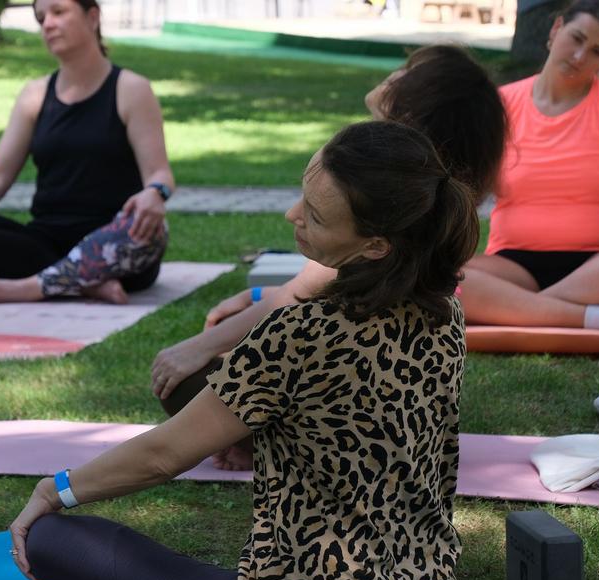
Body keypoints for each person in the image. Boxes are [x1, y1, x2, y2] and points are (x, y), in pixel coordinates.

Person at [9, 120, 479, 580]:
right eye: (303, 196)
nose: (292, 215)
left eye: (315, 215)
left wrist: (55, 489)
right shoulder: (444, 314)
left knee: (51, 541)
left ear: (376, 245)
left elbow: (164, 454)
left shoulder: (301, 334)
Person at [149, 45, 507, 469]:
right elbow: (321, 285)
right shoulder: (423, 192)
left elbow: (302, 293)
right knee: (236, 337)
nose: (395, 74)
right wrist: (258, 297)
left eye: (408, 71)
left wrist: (196, 348)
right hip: (389, 400)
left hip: (350, 405)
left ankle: (265, 443)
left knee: (185, 380)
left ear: (415, 105)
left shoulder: (378, 189)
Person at [459, 0, 599, 330]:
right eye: (576, 38)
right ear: (556, 29)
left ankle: (517, 307)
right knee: (443, 277)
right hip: (513, 266)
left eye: (596, 52)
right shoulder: (499, 106)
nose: (579, 56)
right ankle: (587, 315)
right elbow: (468, 188)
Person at [0, 0, 174, 306]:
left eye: (59, 12)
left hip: (116, 240)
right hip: (48, 239)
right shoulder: (34, 95)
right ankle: (85, 284)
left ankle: (32, 286)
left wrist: (155, 193)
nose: (48, 24)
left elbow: (159, 173)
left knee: (148, 231)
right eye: (41, 18)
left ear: (92, 17)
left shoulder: (132, 89)